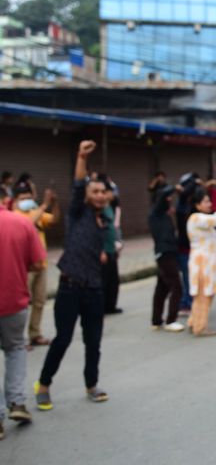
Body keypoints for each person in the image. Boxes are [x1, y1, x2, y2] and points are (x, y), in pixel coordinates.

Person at [36, 141, 110, 410]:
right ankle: (43, 385)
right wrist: (81, 156)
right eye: (96, 191)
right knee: (63, 340)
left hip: (94, 289)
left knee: (94, 342)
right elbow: (79, 185)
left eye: (104, 191)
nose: (100, 195)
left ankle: (92, 384)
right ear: (88, 195)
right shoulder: (77, 212)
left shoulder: (105, 220)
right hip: (70, 288)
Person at [0, 185, 46, 438]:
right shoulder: (22, 223)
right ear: (7, 199)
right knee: (15, 348)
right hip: (14, 301)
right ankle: (17, 402)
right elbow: (38, 263)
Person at [13, 185, 59, 348]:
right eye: (22, 199)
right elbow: (27, 224)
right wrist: (44, 205)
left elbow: (54, 220)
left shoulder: (37, 213)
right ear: (15, 201)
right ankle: (19, 338)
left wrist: (53, 203)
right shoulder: (15, 216)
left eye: (28, 198)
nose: (26, 201)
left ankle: (35, 334)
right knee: (22, 304)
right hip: (24, 268)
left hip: (41, 264)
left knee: (39, 302)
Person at [186, 187, 216, 337]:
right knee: (203, 295)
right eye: (206, 201)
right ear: (197, 205)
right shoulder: (195, 218)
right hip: (201, 264)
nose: (210, 204)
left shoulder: (202, 219)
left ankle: (194, 321)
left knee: (206, 294)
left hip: (208, 264)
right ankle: (199, 327)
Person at [148, 185, 185, 331]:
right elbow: (164, 194)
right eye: (167, 199)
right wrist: (174, 188)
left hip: (168, 253)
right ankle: (171, 320)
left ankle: (156, 321)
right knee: (177, 287)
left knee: (161, 289)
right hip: (165, 254)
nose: (169, 200)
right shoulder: (155, 213)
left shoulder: (164, 215)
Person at [175, 172, 201, 315]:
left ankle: (186, 303)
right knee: (187, 278)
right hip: (184, 248)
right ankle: (186, 304)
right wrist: (194, 181)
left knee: (190, 277)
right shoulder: (182, 205)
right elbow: (187, 192)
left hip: (190, 247)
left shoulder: (188, 206)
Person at [101, 181, 122, 315]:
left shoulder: (110, 208)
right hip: (103, 251)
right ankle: (101, 306)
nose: (113, 194)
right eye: (111, 191)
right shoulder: (100, 209)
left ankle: (110, 305)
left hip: (112, 249)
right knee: (103, 280)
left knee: (113, 280)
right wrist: (101, 250)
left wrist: (116, 245)